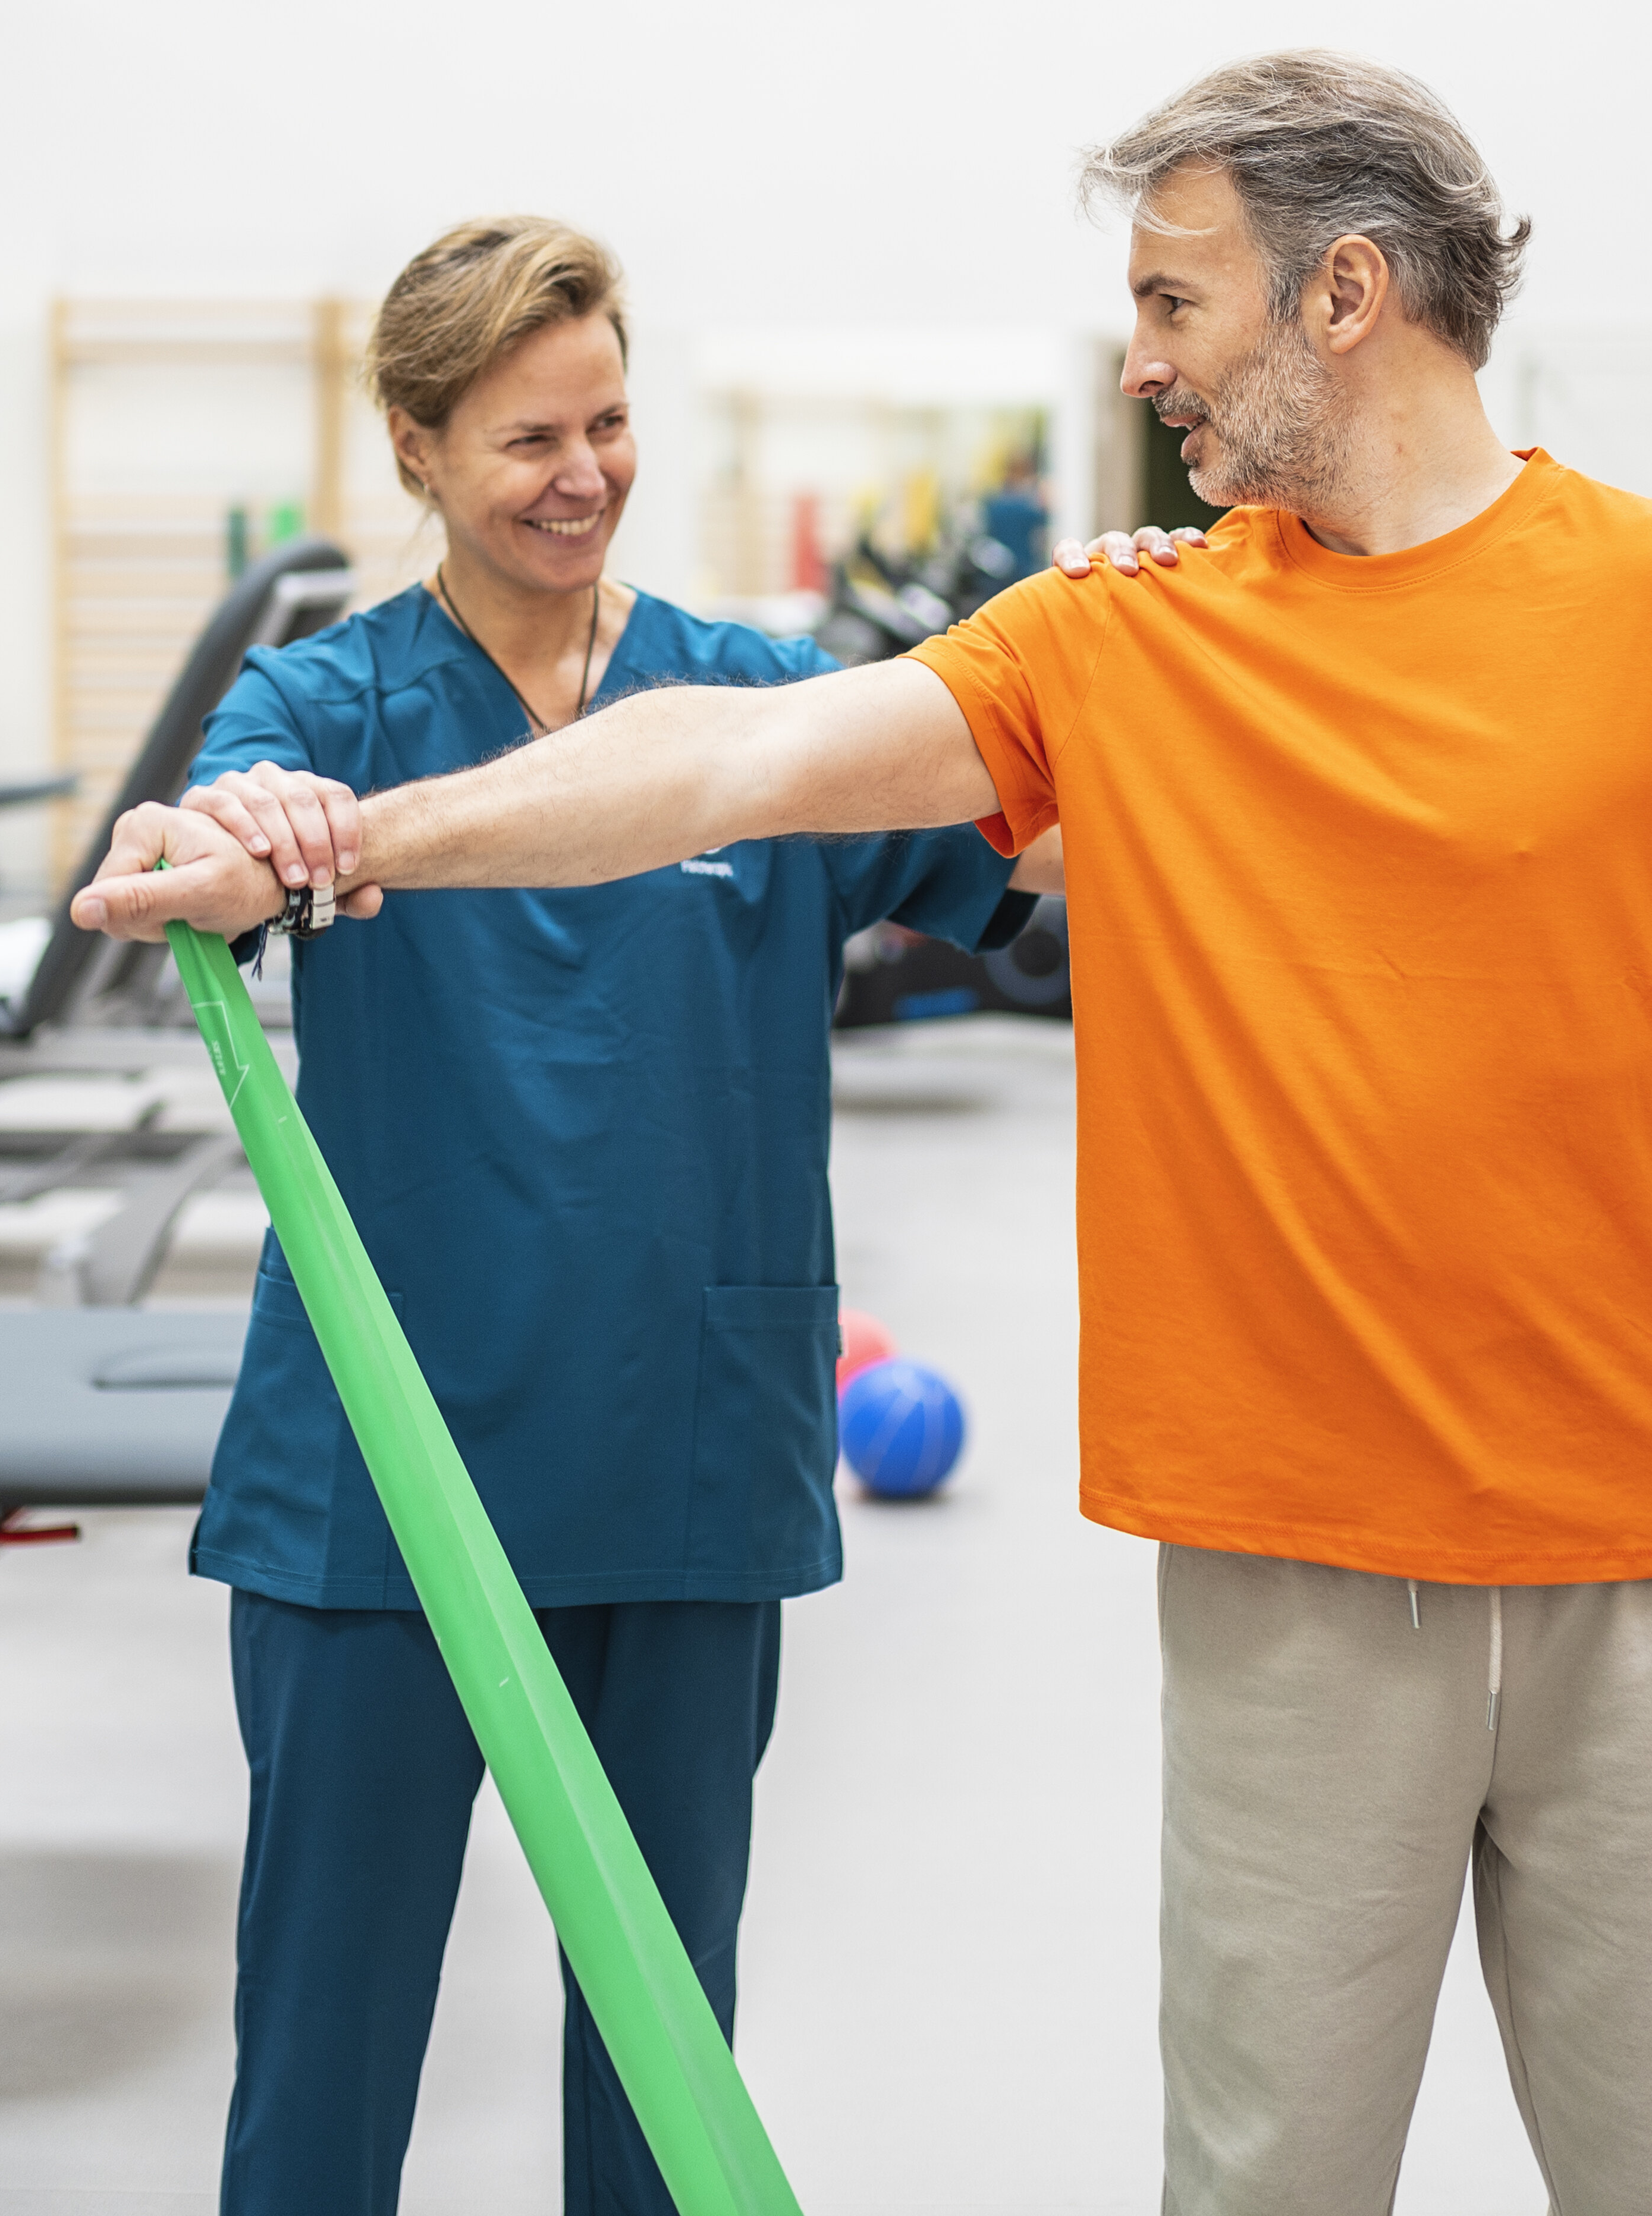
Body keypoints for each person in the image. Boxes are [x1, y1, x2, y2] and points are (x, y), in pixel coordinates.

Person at [86, 58, 1652, 2215]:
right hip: (1282, 1582)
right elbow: (714, 766)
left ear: (1343, 296)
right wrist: (326, 848)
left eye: (1171, 301)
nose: (1137, 357)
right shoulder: (1124, 637)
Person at [160, 214, 1080, 2216]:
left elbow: (1037, 877)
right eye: (524, 441)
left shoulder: (751, 703)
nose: (583, 475)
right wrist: (230, 840)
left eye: (607, 422)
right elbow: (198, 841)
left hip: (677, 1461)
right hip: (385, 1490)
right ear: (413, 447)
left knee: (664, 2072)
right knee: (321, 2067)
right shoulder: (321, 712)